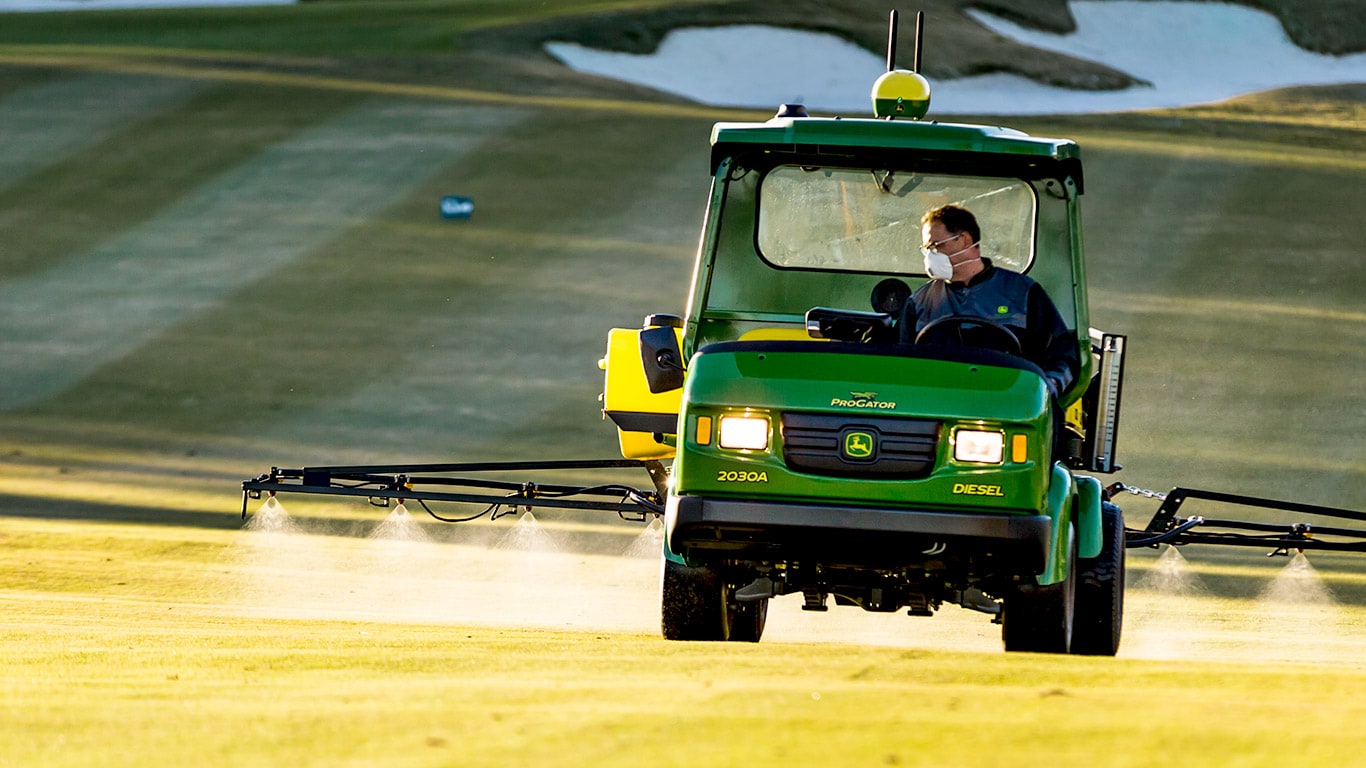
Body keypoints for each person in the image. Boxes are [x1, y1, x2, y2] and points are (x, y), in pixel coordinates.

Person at [899, 204, 1079, 400]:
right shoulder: (919, 302)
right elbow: (902, 364)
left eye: (935, 246)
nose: (930, 256)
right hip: (937, 400)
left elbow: (1062, 353)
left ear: (964, 240)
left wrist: (1048, 387)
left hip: (1008, 399)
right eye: (926, 249)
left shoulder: (1022, 293)